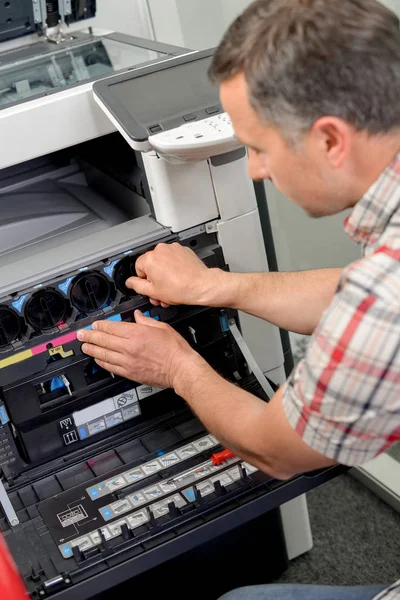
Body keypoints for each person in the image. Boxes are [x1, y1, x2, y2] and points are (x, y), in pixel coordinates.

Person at [77, 0, 400, 598]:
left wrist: (175, 364)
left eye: (258, 147)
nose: (252, 171)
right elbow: (355, 297)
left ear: (330, 139)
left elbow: (274, 449)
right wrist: (218, 287)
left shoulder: (385, 303)